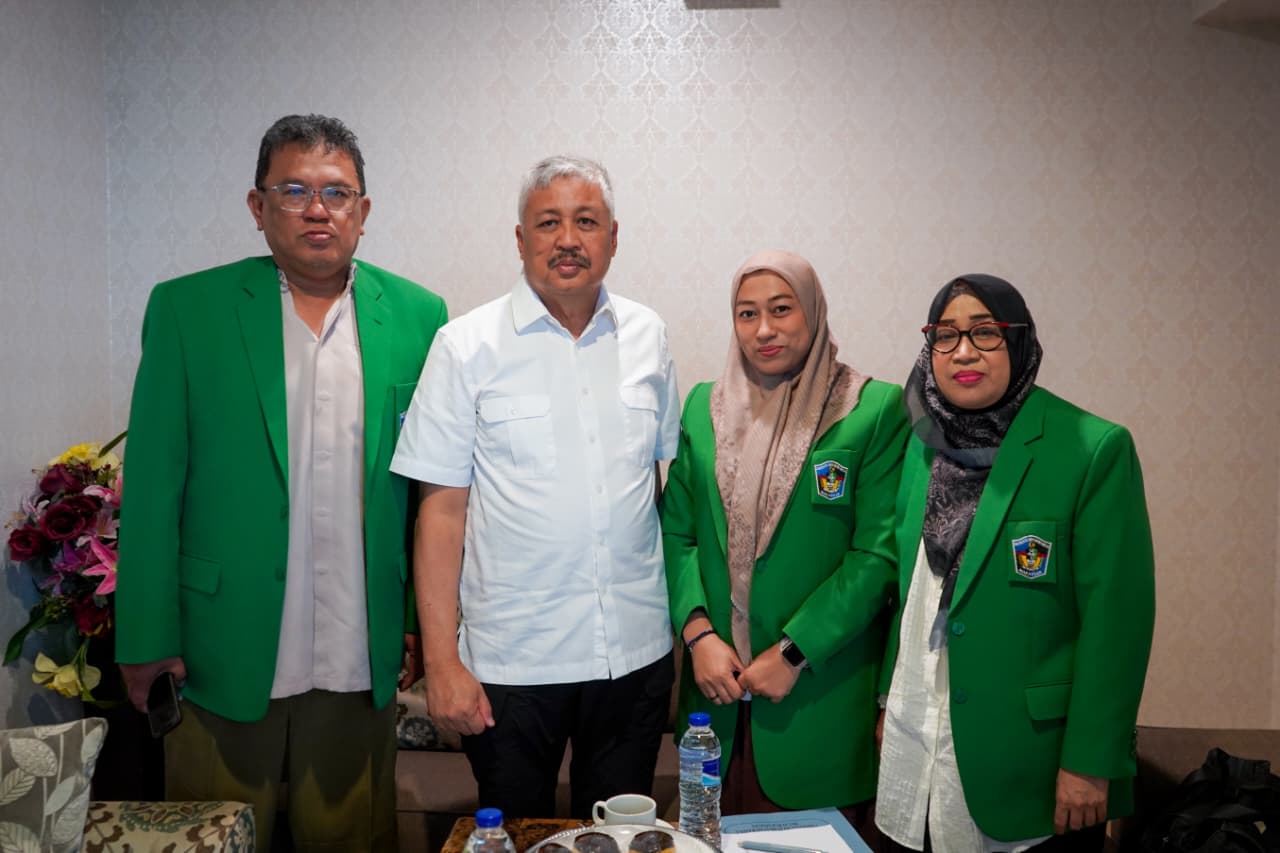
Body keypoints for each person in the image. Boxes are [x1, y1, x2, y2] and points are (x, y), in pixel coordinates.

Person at [116, 113, 448, 851]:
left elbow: (429, 492)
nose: (317, 208)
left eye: (337, 192)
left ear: (364, 210)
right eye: (294, 190)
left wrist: (419, 623)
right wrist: (144, 636)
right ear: (257, 205)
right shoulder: (187, 310)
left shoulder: (420, 317)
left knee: (354, 838)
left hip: (359, 644)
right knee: (211, 836)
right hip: (218, 648)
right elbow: (152, 489)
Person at [390, 154, 680, 818]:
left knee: (622, 837)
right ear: (521, 240)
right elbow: (440, 515)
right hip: (512, 667)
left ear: (613, 237)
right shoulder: (465, 345)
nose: (568, 239)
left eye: (586, 222)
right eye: (549, 222)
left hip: (633, 659)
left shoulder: (648, 336)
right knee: (517, 835)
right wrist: (442, 663)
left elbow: (657, 489)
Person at [875, 275, 1156, 852]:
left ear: (1020, 340)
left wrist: (1090, 761)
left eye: (985, 332)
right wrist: (889, 700)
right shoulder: (922, 441)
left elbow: (1117, 623)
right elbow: (909, 592)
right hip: (917, 738)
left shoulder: (1091, 449)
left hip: (1031, 763)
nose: (964, 352)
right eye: (945, 335)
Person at [660, 250, 908, 838]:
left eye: (781, 309)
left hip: (816, 701)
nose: (764, 330)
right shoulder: (703, 407)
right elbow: (677, 533)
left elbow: (876, 557)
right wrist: (698, 634)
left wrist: (795, 652)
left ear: (814, 313)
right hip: (716, 701)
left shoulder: (871, 409)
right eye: (747, 314)